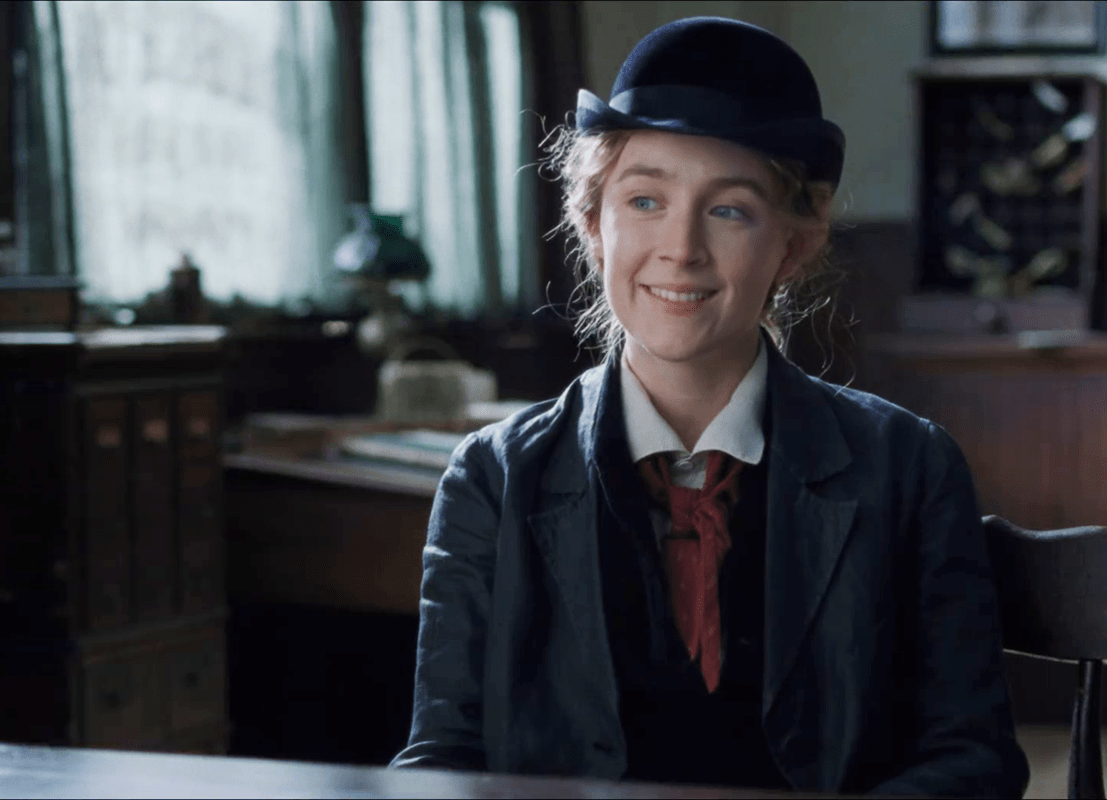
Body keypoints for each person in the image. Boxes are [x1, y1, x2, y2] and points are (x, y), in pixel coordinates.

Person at [390, 16, 1029, 797]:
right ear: (594, 225)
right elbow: (441, 759)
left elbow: (975, 759)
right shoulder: (492, 479)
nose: (681, 248)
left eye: (728, 209)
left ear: (794, 244)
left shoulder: (910, 467)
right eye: (646, 199)